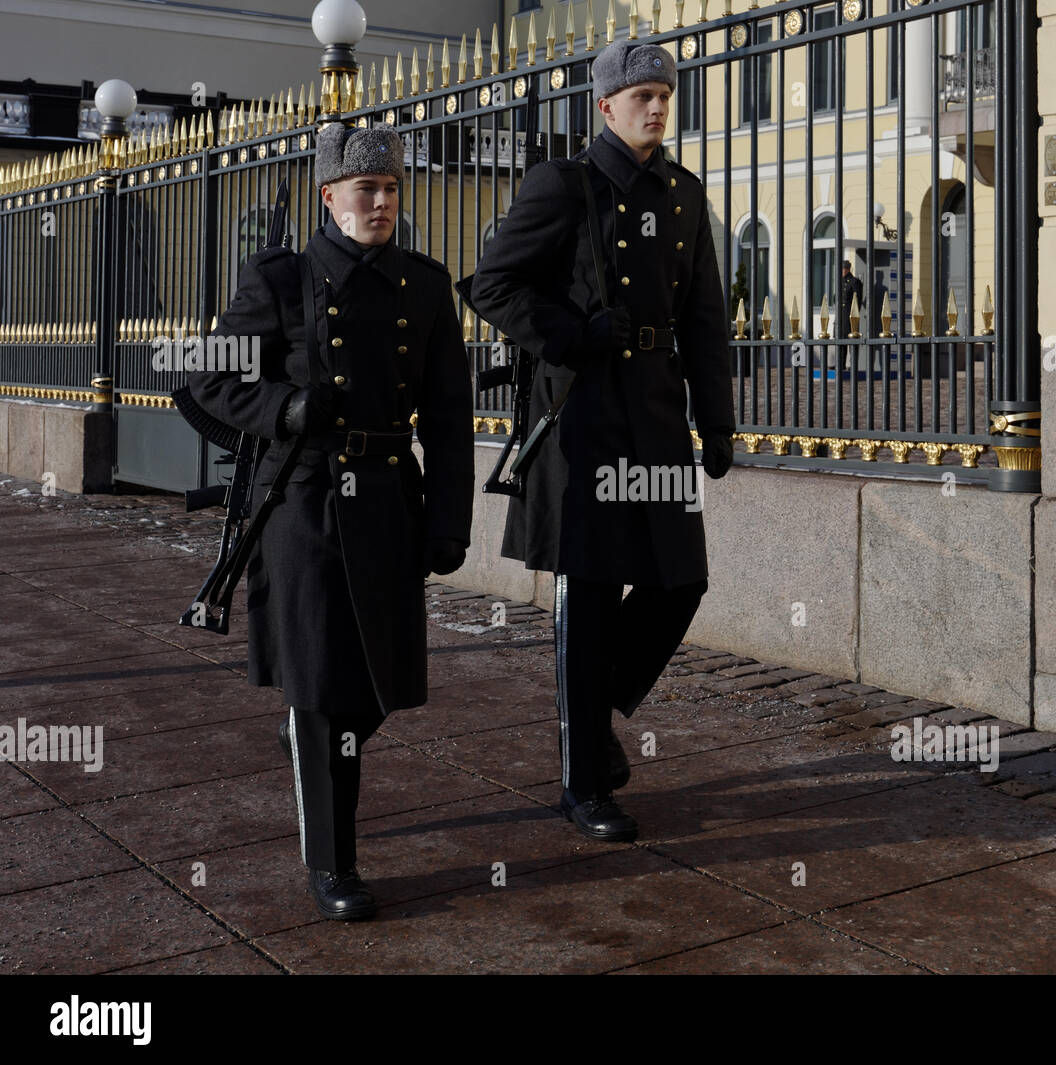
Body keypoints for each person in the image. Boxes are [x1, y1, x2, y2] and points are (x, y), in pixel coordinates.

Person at [188, 122, 473, 920]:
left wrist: (451, 520)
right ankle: (333, 863)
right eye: (364, 190)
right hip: (304, 499)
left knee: (379, 684)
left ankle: (308, 746)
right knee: (318, 681)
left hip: (389, 500)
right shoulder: (280, 279)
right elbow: (212, 380)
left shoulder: (423, 285)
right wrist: (285, 406)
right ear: (328, 197)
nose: (381, 202)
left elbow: (449, 417)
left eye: (390, 189)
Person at [471, 41, 735, 842]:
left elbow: (705, 317)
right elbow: (491, 285)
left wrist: (715, 417)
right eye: (641, 96)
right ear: (605, 107)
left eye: (664, 94)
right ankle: (583, 781)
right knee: (586, 599)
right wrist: (572, 332)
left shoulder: (683, 194)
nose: (656, 107)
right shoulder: (566, 184)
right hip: (582, 412)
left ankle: (594, 715)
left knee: (679, 579)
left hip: (654, 414)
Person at [838, 258, 864, 339]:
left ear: (847, 269)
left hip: (850, 315)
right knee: (840, 341)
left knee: (851, 339)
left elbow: (857, 300)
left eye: (842, 269)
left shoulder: (854, 281)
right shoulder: (840, 281)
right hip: (840, 315)